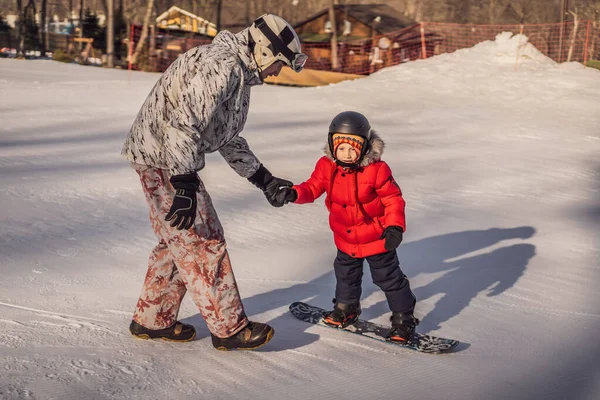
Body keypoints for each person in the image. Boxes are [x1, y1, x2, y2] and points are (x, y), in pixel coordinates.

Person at [120, 14, 305, 350]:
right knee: (204, 241)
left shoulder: (235, 71)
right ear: (264, 51)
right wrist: (185, 184)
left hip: (167, 158)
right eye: (279, 63)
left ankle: (153, 318)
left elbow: (224, 135)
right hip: (166, 159)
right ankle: (230, 329)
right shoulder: (221, 65)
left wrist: (262, 178)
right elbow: (182, 122)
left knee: (179, 239)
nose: (278, 72)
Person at [285, 111, 419, 342]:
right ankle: (346, 309)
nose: (347, 154)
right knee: (346, 275)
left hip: (377, 238)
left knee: (388, 279)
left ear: (365, 146)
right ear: (331, 145)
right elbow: (312, 187)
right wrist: (293, 193)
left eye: (353, 147)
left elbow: (393, 200)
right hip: (345, 238)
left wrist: (394, 227)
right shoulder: (326, 166)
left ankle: (403, 319)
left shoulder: (377, 169)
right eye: (341, 147)